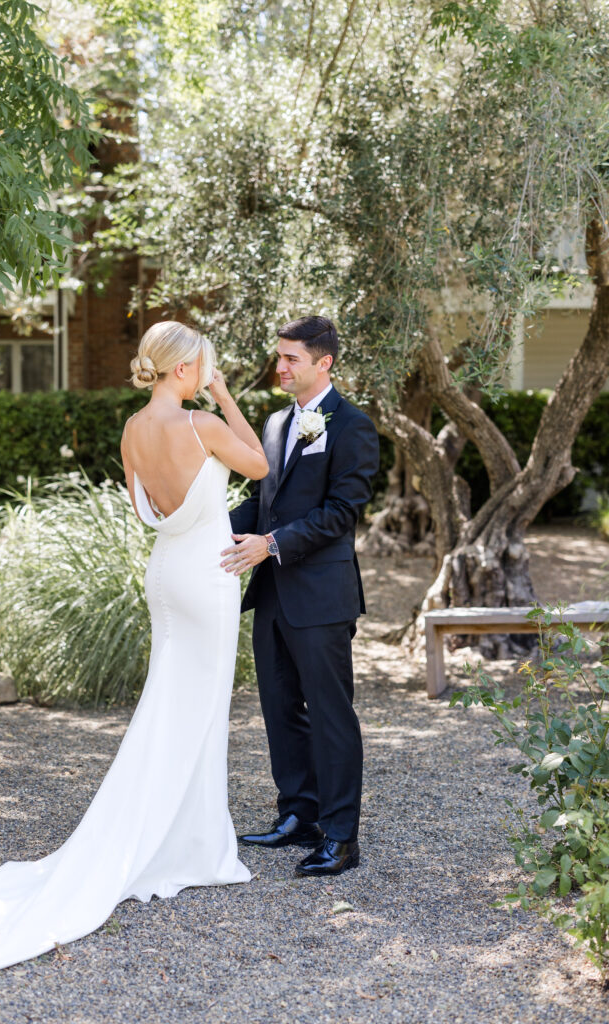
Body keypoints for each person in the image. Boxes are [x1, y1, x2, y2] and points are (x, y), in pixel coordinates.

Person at [0, 321, 268, 1020]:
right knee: (200, 712)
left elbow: (143, 506)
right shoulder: (204, 423)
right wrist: (226, 394)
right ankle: (191, 848)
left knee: (166, 705)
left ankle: (184, 837)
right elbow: (260, 466)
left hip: (164, 574)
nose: (209, 372)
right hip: (205, 577)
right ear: (185, 370)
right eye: (204, 364)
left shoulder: (129, 429)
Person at [223, 315, 379, 877]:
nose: (280, 367)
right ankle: (298, 816)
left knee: (332, 716)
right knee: (280, 710)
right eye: (280, 356)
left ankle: (341, 837)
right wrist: (206, 524)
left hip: (321, 596)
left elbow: (341, 514)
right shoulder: (272, 424)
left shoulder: (353, 426)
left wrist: (271, 544)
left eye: (292, 358)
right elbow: (263, 502)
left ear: (324, 363)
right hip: (273, 595)